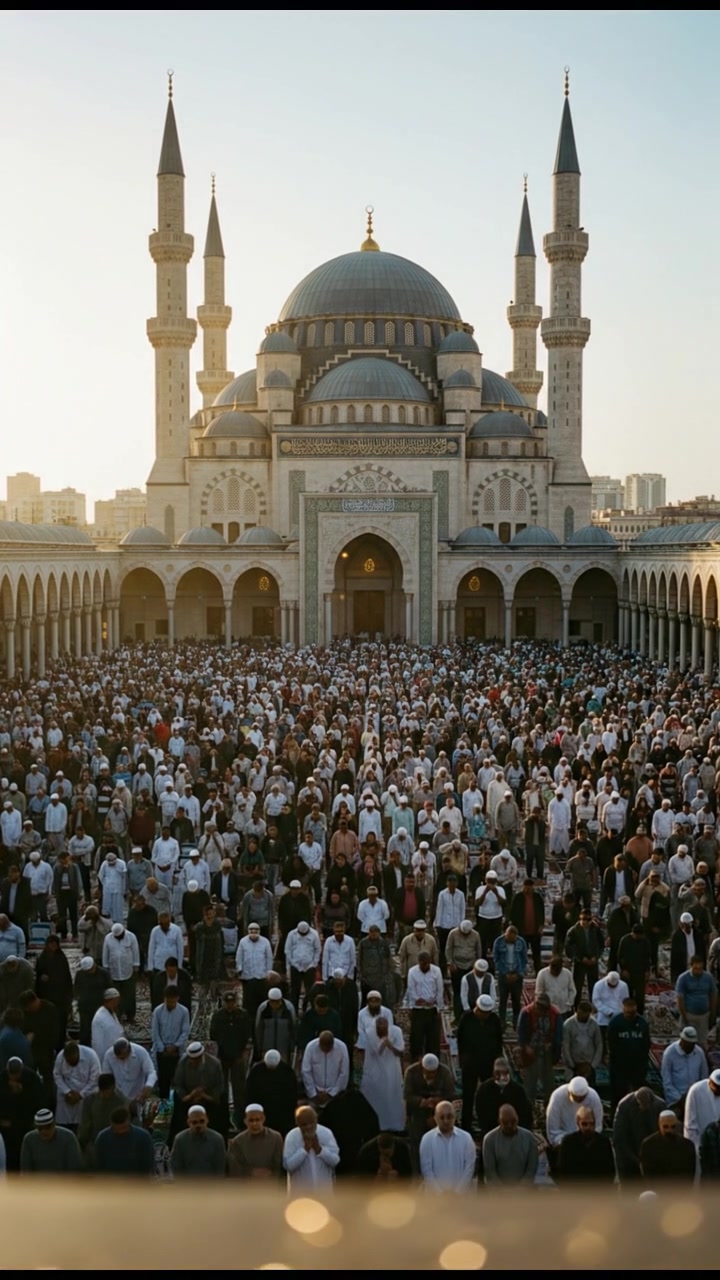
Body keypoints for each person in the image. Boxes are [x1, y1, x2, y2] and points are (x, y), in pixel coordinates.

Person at [457, 995, 503, 1131]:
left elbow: (499, 1041)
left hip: (488, 1063)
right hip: (470, 1063)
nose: (485, 1015)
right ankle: (466, 1126)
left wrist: (497, 1062)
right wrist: (463, 1059)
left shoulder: (494, 1020)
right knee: (468, 1094)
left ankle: (489, 1124)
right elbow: (460, 1040)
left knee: (489, 1094)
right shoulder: (466, 1019)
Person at [171, 1041, 227, 1140]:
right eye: (192, 1059)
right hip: (188, 1097)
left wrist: (205, 1095)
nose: (194, 1061)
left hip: (209, 1098)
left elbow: (219, 1086)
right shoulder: (183, 1062)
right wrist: (189, 1096)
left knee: (222, 1102)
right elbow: (178, 1084)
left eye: (197, 1059)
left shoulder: (214, 1063)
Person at [209, 990, 251, 1125]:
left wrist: (242, 1052)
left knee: (239, 1090)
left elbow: (247, 1034)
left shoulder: (242, 1015)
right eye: (227, 1002)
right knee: (222, 1090)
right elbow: (213, 1034)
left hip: (238, 1057)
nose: (230, 1005)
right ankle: (223, 1119)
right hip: (222, 1057)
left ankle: (239, 1120)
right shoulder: (218, 1016)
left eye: (232, 1002)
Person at [359, 1015, 405, 1131]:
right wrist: (383, 1044)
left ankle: (395, 1127)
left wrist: (390, 1045)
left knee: (392, 1097)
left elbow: (400, 1052)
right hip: (374, 1070)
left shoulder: (396, 1031)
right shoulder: (369, 1033)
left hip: (392, 1070)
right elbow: (375, 1053)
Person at [0, 1056, 46, 1170]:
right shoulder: (2, 1079)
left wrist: (20, 1093)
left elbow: (39, 1102)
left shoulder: (32, 1078)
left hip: (26, 1125)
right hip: (7, 1128)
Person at [419, 1100, 476, 1192]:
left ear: (455, 1117)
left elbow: (469, 1168)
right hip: (435, 1199)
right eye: (442, 1117)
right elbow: (427, 1170)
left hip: (461, 1199)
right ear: (435, 1118)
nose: (446, 1121)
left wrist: (457, 1193)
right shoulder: (427, 1139)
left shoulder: (466, 1138)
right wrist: (441, 1195)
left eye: (449, 1117)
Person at [78, 1072, 130, 1169]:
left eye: (107, 1091)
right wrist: (82, 1141)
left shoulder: (122, 1101)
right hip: (94, 1143)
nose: (105, 1094)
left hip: (116, 1144)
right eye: (102, 1091)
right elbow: (85, 1124)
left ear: (113, 1087)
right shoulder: (90, 1100)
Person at [516, 993, 562, 1104]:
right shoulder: (526, 1012)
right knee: (530, 1083)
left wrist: (552, 1046)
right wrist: (526, 1047)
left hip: (547, 1051)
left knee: (549, 1083)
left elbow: (559, 1036)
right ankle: (528, 1106)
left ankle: (550, 1107)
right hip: (531, 1051)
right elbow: (521, 1034)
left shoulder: (555, 1014)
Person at [607, 996, 650, 1112]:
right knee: (617, 1097)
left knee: (639, 1098)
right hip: (619, 1067)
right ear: (623, 1010)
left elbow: (646, 1045)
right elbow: (611, 1046)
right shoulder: (615, 1023)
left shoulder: (642, 1023)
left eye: (632, 1012)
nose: (630, 1015)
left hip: (637, 1067)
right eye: (627, 1012)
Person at [612, 1086, 664, 1183]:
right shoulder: (624, 1105)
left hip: (652, 1160)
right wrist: (636, 1160)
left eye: (646, 1106)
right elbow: (619, 1139)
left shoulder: (659, 1105)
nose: (643, 1108)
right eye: (641, 1105)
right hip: (628, 1158)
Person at [283, 1104, 340, 1189]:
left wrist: (319, 1150)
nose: (308, 1127)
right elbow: (288, 1166)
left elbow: (335, 1161)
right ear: (297, 1123)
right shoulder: (292, 1136)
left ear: (316, 1120)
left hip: (324, 1193)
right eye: (304, 1124)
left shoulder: (326, 1133)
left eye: (311, 1123)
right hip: (300, 1194)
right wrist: (304, 1150)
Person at [474, 1058, 533, 1139]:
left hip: (515, 1133)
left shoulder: (518, 1090)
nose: (502, 1077)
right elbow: (481, 1114)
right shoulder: (484, 1090)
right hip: (492, 1133)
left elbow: (526, 1115)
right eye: (498, 1073)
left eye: (505, 1073)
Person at [245, 1049, 298, 1138]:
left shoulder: (287, 1072)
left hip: (282, 1114)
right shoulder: (256, 1071)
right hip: (264, 1111)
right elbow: (249, 1092)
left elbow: (291, 1096)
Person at [482, 1104, 538, 1187]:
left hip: (524, 1191)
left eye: (513, 1121)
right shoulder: (489, 1140)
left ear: (517, 1119)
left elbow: (531, 1169)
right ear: (499, 1121)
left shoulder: (529, 1138)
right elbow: (490, 1172)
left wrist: (521, 1189)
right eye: (505, 1122)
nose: (509, 1125)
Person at [556, 1105, 616, 1182]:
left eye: (591, 1124)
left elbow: (610, 1172)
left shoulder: (603, 1143)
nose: (588, 1127)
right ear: (578, 1124)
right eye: (584, 1124)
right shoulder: (568, 1142)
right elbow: (562, 1171)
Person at [151, 987, 191, 1098]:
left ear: (177, 999)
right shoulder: (158, 1011)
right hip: (161, 1051)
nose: (170, 1004)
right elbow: (155, 1032)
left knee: (178, 1081)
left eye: (173, 1001)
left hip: (177, 1052)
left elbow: (185, 1032)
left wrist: (175, 1046)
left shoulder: (183, 1011)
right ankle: (163, 1106)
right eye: (168, 1001)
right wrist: (162, 1048)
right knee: (163, 1082)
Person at [546, 1076, 603, 1152]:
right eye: (576, 1097)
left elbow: (598, 1126)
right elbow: (553, 1130)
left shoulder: (593, 1097)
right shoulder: (558, 1096)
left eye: (581, 1097)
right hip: (563, 1143)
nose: (578, 1100)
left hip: (587, 1142)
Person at [227, 1102, 284, 1179]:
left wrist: (269, 1173)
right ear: (245, 1121)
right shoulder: (237, 1141)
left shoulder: (276, 1138)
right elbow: (234, 1167)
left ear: (263, 1119)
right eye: (251, 1120)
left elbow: (278, 1164)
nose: (254, 1124)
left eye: (257, 1120)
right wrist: (251, 1172)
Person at [94, 1105, 155, 1176]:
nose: (120, 1131)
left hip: (136, 1181)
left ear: (129, 1121)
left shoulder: (143, 1137)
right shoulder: (102, 1137)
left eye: (123, 1128)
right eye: (116, 1129)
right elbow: (100, 1163)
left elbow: (148, 1163)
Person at [661, 1027, 708, 1118]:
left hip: (695, 1099)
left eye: (692, 1044)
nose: (690, 1047)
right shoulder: (669, 1053)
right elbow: (667, 1083)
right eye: (687, 1044)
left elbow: (704, 1078)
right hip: (675, 1101)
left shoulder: (699, 1053)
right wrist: (680, 1099)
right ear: (682, 1041)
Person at [34, 935, 73, 1046]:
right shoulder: (42, 958)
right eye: (51, 944)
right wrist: (42, 978)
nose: (53, 946)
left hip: (61, 996)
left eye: (55, 944)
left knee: (61, 1021)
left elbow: (67, 976)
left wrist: (69, 995)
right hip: (47, 995)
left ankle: (60, 1043)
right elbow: (38, 976)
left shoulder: (61, 958)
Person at [170, 1104, 227, 1178]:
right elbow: (176, 1167)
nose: (198, 1125)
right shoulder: (180, 1139)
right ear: (188, 1122)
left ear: (207, 1120)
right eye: (194, 1122)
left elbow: (220, 1168)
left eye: (202, 1121)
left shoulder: (217, 1139)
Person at [52, 1041, 100, 1129]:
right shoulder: (61, 1056)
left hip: (85, 1093)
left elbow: (95, 1079)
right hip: (66, 1093)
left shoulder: (91, 1055)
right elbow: (57, 1074)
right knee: (63, 1124)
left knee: (83, 1122)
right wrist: (67, 1091)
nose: (71, 1064)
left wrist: (80, 1095)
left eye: (73, 1061)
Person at [405, 951, 444, 1060]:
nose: (424, 966)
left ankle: (433, 1059)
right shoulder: (412, 971)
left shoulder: (436, 971)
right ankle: (416, 1058)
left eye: (427, 964)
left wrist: (438, 1007)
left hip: (432, 1009)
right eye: (422, 964)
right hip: (418, 1009)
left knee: (433, 1038)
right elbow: (411, 989)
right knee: (416, 1037)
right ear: (419, 962)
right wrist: (417, 999)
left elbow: (439, 990)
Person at [20, 1108, 83, 1174]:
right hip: (37, 1183)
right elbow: (25, 1171)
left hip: (64, 1183)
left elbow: (74, 1171)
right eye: (40, 1128)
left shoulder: (69, 1138)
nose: (44, 1131)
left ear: (54, 1124)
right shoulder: (29, 1139)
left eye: (47, 1127)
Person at [640, 1110, 696, 1182]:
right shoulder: (648, 1145)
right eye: (665, 1127)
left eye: (673, 1127)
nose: (669, 1130)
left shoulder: (687, 1145)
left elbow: (690, 1175)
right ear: (659, 1124)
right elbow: (647, 1175)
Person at [102, 922, 140, 1023]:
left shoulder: (131, 937)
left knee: (130, 995)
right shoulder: (108, 938)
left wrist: (136, 966)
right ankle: (116, 1015)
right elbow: (105, 954)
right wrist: (106, 968)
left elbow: (136, 952)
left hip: (128, 971)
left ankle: (130, 1016)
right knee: (115, 995)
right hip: (114, 973)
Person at [676, 955, 718, 1046]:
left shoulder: (708, 977)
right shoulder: (683, 978)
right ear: (691, 966)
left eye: (700, 968)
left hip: (703, 1016)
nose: (698, 971)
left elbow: (713, 995)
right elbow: (680, 999)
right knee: (687, 1042)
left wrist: (712, 1013)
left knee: (702, 1043)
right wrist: (684, 1016)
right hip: (689, 1015)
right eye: (696, 968)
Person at [565, 908, 604, 1005]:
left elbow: (601, 944)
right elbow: (569, 948)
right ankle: (576, 1006)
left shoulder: (595, 929)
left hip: (592, 961)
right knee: (577, 985)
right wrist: (581, 959)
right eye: (583, 919)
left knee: (594, 985)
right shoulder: (573, 931)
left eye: (588, 919)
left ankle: (594, 1005)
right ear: (580, 918)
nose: (585, 922)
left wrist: (596, 956)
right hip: (580, 963)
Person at [445, 918, 482, 1020]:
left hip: (470, 967)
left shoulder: (476, 935)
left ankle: (471, 1015)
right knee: (457, 992)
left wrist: (476, 964)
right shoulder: (453, 934)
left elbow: (478, 950)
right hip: (457, 967)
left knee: (471, 991)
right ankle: (458, 1016)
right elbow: (448, 949)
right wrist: (450, 963)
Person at [102, 1037, 157, 1105]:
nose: (122, 1060)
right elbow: (106, 1077)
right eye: (119, 1058)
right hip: (118, 1096)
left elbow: (151, 1072)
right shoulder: (108, 1055)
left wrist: (149, 1086)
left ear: (129, 1051)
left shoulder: (140, 1052)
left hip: (137, 1096)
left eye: (123, 1058)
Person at [301, 1030, 349, 1107]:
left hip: (335, 1097)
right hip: (315, 1095)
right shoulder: (310, 1047)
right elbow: (306, 1071)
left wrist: (332, 1094)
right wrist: (313, 1093)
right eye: (323, 1047)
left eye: (328, 1048)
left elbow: (344, 1073)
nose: (325, 1050)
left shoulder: (342, 1048)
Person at [493, 925, 528, 1028]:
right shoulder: (498, 942)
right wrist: (505, 973)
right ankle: (502, 1023)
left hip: (517, 975)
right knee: (503, 1000)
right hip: (504, 975)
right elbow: (496, 959)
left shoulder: (521, 942)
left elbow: (523, 959)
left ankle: (516, 1022)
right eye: (508, 937)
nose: (510, 940)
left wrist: (518, 974)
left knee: (516, 1000)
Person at [236, 923, 273, 1019]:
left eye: (255, 930)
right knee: (248, 1002)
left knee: (261, 1000)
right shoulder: (243, 942)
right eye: (251, 930)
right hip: (247, 977)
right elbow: (239, 957)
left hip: (261, 976)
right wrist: (239, 970)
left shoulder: (265, 942)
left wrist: (269, 972)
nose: (253, 933)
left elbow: (269, 958)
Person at [561, 1000, 603, 1085]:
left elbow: (599, 1045)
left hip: (589, 1067)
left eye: (586, 1014)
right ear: (577, 1011)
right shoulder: (568, 1025)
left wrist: (592, 1066)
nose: (583, 1016)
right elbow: (565, 1046)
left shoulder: (594, 1024)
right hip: (573, 1068)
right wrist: (572, 1065)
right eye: (581, 1013)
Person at [509, 878, 545, 975]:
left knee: (536, 954)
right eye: (526, 887)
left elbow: (542, 912)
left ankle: (538, 972)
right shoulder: (518, 897)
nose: (528, 889)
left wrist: (541, 925)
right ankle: (521, 971)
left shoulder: (537, 897)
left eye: (530, 887)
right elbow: (512, 913)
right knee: (521, 953)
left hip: (535, 931)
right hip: (521, 931)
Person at [285, 919, 321, 1012]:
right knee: (294, 991)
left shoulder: (314, 934)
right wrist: (292, 963)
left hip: (309, 967)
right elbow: (287, 950)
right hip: (295, 966)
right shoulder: (291, 934)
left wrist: (314, 964)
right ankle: (294, 1011)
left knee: (311, 991)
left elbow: (318, 950)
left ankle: (309, 1010)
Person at [617, 922, 651, 1014]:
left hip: (640, 972)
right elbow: (620, 957)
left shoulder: (645, 942)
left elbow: (647, 957)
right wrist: (623, 969)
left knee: (640, 996)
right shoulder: (625, 940)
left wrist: (647, 970)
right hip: (628, 972)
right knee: (628, 995)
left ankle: (639, 1014)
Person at [684, 1070, 720, 1152]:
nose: (718, 1090)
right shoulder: (696, 1091)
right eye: (716, 1087)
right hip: (701, 1143)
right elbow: (690, 1125)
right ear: (710, 1082)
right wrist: (696, 1147)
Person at [91, 988, 124, 1064]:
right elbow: (98, 1043)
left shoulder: (111, 1012)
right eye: (115, 1001)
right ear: (110, 1001)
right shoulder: (99, 1018)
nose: (117, 1004)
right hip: (106, 1054)